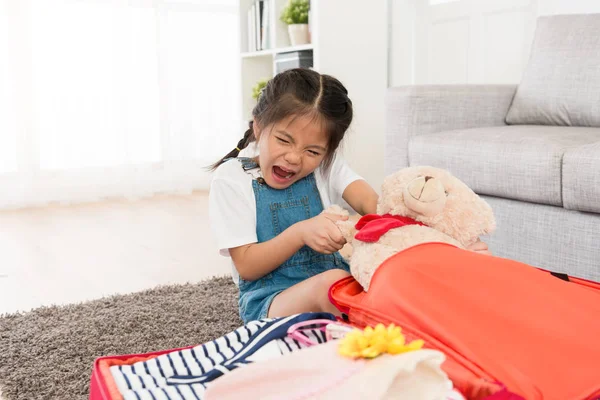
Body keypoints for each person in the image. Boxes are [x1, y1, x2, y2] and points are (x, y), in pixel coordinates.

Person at [208, 68, 489, 324]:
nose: (294, 158)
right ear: (258, 127)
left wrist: (441, 242)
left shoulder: (327, 167)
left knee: (382, 273)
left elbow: (376, 207)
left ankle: (448, 298)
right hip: (270, 302)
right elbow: (247, 265)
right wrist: (300, 233)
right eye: (284, 140)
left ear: (327, 152)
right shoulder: (232, 178)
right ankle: (408, 323)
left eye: (313, 151)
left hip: (340, 285)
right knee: (334, 283)